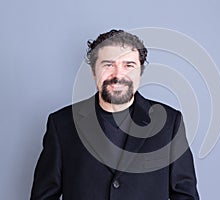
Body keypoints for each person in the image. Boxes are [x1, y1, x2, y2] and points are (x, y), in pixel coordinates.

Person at [30, 29, 199, 200]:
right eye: (108, 64)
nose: (118, 75)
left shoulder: (169, 123)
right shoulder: (62, 124)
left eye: (128, 65)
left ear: (140, 72)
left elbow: (185, 195)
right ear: (93, 71)